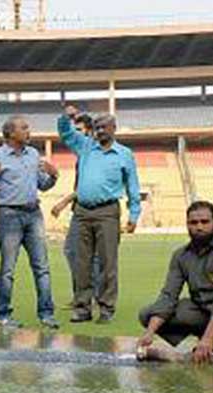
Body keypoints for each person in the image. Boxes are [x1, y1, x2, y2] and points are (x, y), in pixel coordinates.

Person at [138, 201, 213, 363]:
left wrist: (206, 339)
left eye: (205, 222)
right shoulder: (180, 256)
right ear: (187, 224)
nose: (199, 227)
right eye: (193, 223)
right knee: (148, 315)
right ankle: (210, 335)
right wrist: (149, 333)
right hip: (202, 307)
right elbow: (169, 295)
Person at [58, 105, 141, 324]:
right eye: (97, 127)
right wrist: (67, 116)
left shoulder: (124, 154)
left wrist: (134, 215)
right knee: (81, 262)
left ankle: (106, 308)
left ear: (114, 129)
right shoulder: (85, 146)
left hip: (107, 212)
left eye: (104, 127)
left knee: (107, 263)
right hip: (82, 212)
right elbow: (65, 132)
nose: (100, 131)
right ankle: (82, 308)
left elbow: (133, 186)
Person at [0, 116, 60, 329]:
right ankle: (3, 315)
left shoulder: (33, 155)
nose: (29, 131)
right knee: (8, 270)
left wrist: (53, 177)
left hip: (34, 214)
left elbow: (42, 185)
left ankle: (47, 314)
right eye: (24, 128)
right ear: (11, 134)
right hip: (9, 216)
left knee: (42, 267)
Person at [50, 112, 104, 309]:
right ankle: (83, 296)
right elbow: (66, 132)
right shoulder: (84, 152)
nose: (77, 135)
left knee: (91, 255)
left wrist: (63, 202)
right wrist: (66, 116)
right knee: (75, 252)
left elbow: (90, 186)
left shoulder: (97, 151)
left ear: (90, 131)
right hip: (80, 208)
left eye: (80, 130)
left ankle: (95, 297)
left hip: (96, 209)